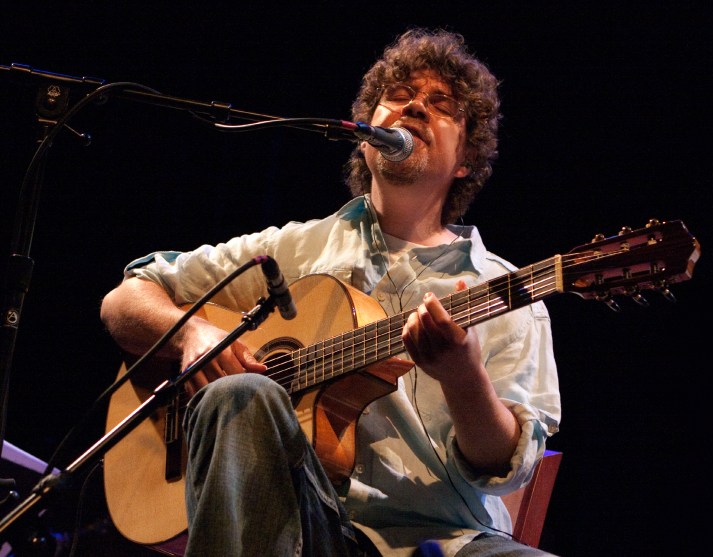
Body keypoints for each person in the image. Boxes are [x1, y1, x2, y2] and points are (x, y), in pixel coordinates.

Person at [100, 27, 561, 557]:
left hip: (443, 539)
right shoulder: (294, 248)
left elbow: (504, 466)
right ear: (365, 135)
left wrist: (463, 375)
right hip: (291, 522)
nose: (413, 107)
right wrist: (194, 336)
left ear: (466, 160)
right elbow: (128, 297)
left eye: (441, 105)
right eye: (398, 95)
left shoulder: (501, 291)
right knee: (238, 391)